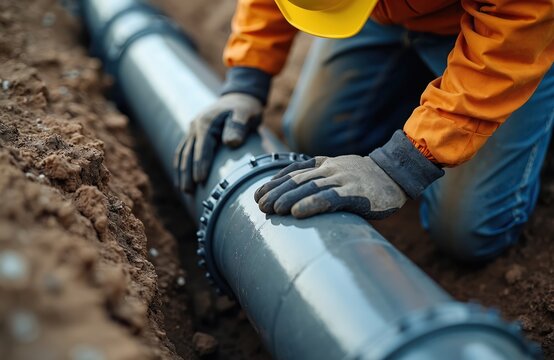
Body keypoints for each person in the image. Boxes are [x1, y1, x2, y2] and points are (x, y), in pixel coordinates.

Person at [179, 0, 554, 262]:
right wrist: (246, 79)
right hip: (377, 13)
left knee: (468, 233)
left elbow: (518, 16)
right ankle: (426, 95)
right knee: (315, 137)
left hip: (503, 31)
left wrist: (400, 165)